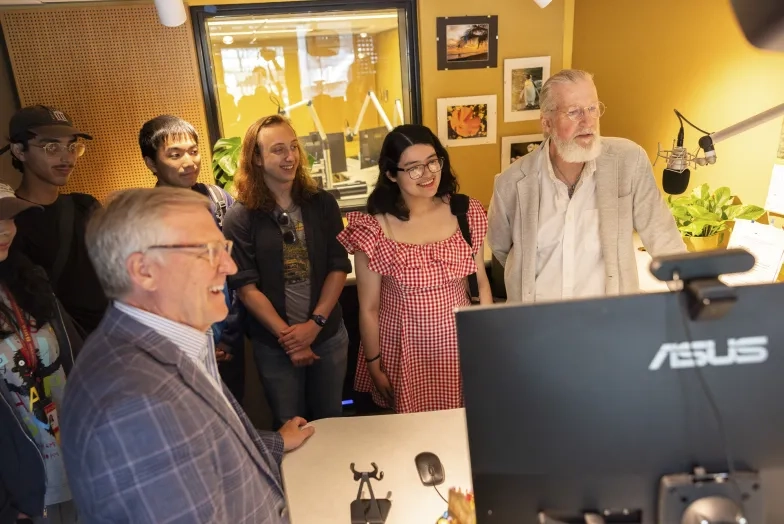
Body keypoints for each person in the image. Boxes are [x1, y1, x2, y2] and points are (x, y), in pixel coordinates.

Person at [60, 188, 313, 523]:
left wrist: (275, 443)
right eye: (207, 252)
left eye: (223, 248)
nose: (229, 266)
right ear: (144, 271)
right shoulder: (134, 403)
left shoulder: (173, 341)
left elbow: (201, 445)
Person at [487, 69, 686, 303]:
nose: (588, 121)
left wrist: (697, 295)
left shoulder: (629, 161)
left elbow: (663, 238)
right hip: (538, 320)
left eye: (592, 108)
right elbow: (501, 248)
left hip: (608, 318)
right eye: (574, 112)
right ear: (547, 123)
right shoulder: (511, 182)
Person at [337, 124, 492, 414]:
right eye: (413, 168)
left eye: (432, 162)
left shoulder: (464, 211)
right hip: (404, 351)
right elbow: (369, 308)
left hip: (459, 348)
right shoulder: (373, 228)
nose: (428, 174)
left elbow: (480, 284)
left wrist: (484, 344)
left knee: (459, 428)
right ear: (391, 174)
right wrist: (374, 364)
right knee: (409, 433)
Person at [223, 114, 351, 429]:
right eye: (278, 150)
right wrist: (291, 339)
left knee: (332, 424)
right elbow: (246, 288)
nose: (290, 156)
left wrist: (315, 325)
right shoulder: (240, 218)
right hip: (274, 345)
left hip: (327, 336)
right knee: (290, 427)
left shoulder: (322, 204)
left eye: (293, 147)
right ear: (256, 158)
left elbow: (338, 266)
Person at [138, 114, 245, 403]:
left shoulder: (219, 201)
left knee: (235, 414)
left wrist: (228, 337)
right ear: (151, 163)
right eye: (175, 155)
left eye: (193, 151)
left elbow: (237, 273)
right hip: (181, 351)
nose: (189, 161)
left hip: (228, 342)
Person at [0, 183, 83, 524]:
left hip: (77, 465)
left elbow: (76, 359)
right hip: (24, 494)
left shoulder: (28, 282)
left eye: (9, 218)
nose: (5, 229)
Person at [1, 105, 108, 336]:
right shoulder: (9, 223)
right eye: (51, 147)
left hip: (111, 335)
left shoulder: (84, 206)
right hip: (63, 344)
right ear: (19, 151)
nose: (66, 157)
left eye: (72, 147)